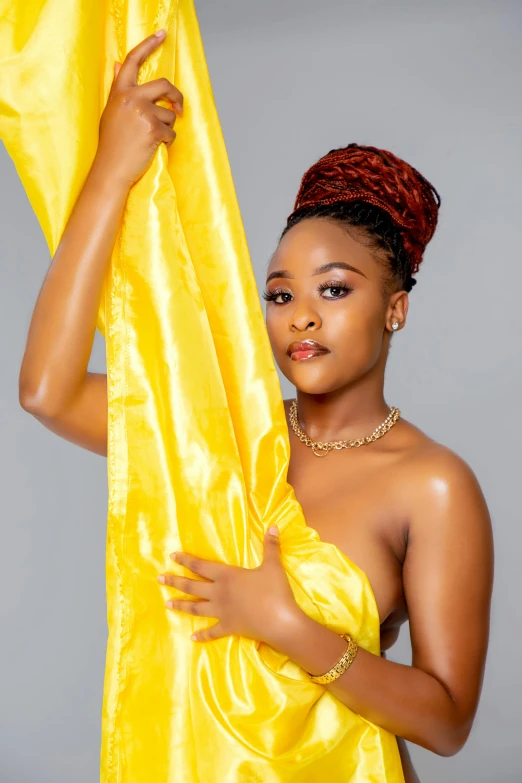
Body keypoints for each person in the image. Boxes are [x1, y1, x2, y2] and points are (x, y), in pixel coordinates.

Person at [18, 31, 494, 783]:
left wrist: (288, 627)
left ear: (395, 308)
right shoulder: (230, 433)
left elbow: (447, 720)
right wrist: (111, 174)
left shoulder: (433, 485)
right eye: (279, 294)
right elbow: (47, 390)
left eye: (334, 289)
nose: (301, 316)